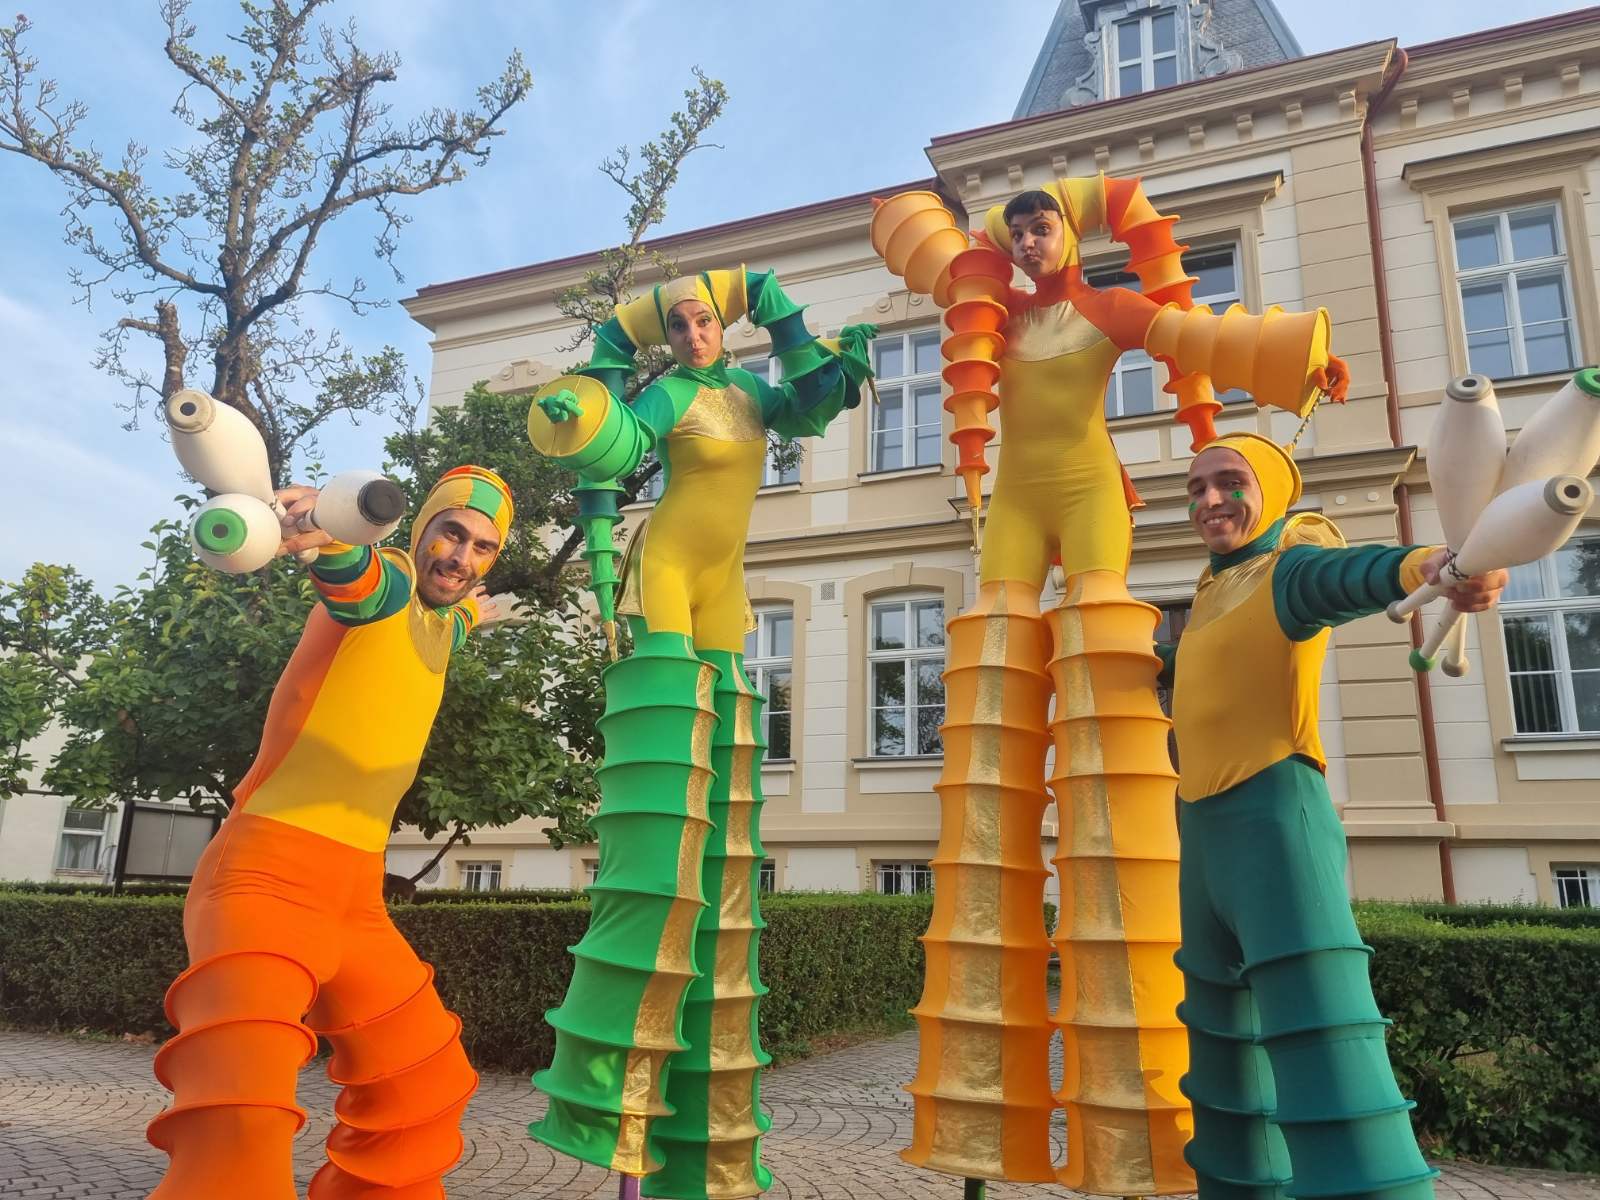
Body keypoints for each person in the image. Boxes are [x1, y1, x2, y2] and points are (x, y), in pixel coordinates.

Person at [873, 176, 1349, 1193]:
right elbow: (917, 248)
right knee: (993, 680)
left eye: (1042, 223)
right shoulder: (991, 317)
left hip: (1090, 495)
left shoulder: (1109, 307)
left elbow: (1194, 335)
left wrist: (1291, 362)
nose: (1028, 239)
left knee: (1096, 669)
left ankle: (1128, 1125)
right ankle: (978, 1106)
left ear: (1070, 232)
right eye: (1016, 228)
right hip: (1015, 506)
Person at [526, 268, 873, 1199]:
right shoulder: (669, 393)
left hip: (727, 581)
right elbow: (618, 440)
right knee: (670, 744)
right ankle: (622, 1058)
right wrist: (578, 411)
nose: (690, 334)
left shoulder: (753, 391)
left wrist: (818, 343)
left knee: (725, 766)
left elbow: (812, 401)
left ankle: (695, 1119)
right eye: (676, 324)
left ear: (725, 325)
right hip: (671, 571)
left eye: (703, 319)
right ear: (669, 338)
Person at [145, 464, 514, 1200]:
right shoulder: (393, 583)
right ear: (421, 530)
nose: (460, 558)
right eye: (450, 533)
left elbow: (445, 618)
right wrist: (327, 533)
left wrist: (475, 615)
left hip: (355, 902)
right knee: (240, 1108)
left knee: (425, 1081)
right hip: (264, 880)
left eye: (482, 547)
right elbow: (357, 579)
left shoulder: (440, 618)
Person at [1159, 432, 1504, 1200]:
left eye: (1229, 482)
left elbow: (1353, 575)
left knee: (1325, 1048)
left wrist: (1434, 568)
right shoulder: (1212, 589)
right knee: (1223, 1075)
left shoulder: (1288, 569)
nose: (1209, 500)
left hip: (1273, 823)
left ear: (1272, 493)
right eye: (1196, 488)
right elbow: (1191, 674)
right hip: (1201, 836)